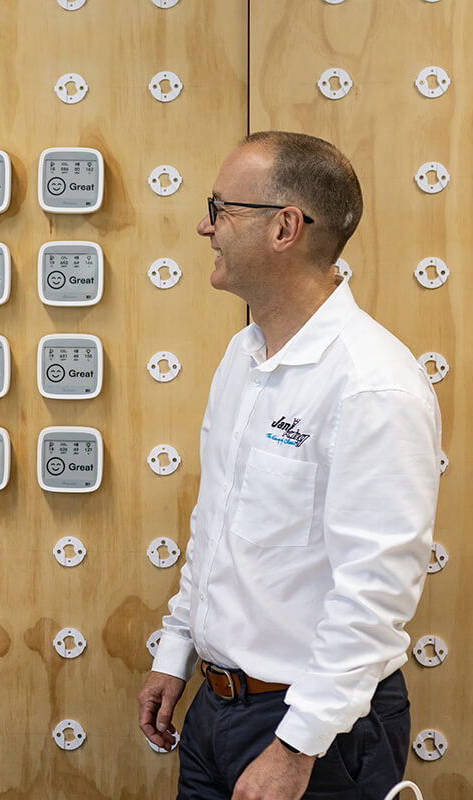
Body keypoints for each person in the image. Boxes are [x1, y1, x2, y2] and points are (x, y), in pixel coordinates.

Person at [137, 132, 441, 800]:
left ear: (285, 227)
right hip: (216, 713)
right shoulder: (242, 357)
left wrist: (298, 746)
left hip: (316, 732)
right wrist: (177, 651)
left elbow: (374, 594)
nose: (204, 225)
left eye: (221, 208)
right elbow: (214, 528)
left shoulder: (372, 385)